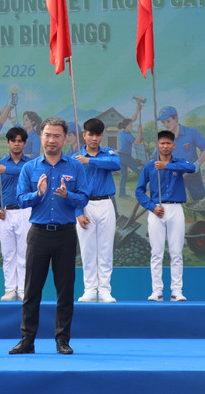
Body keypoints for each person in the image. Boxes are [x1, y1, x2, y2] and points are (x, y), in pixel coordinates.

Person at [9, 117, 88, 356]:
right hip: (38, 235)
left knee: (65, 291)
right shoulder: (30, 168)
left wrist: (68, 196)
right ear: (41, 137)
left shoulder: (75, 167)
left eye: (56, 136)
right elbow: (21, 199)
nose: (51, 140)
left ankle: (62, 340)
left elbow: (84, 198)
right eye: (47, 135)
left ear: (65, 138)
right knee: (31, 290)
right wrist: (38, 193)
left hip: (65, 234)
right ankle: (27, 341)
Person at [135, 130, 195, 302]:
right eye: (162, 143)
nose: (165, 146)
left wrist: (167, 166)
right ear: (158, 145)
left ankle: (177, 290)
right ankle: (157, 290)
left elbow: (192, 168)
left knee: (176, 252)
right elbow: (139, 191)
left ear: (174, 146)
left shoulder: (180, 163)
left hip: (175, 209)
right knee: (157, 252)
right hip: (156, 211)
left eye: (169, 143)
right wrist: (151, 207)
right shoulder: (150, 166)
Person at [74, 118, 121, 303]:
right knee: (87, 250)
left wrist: (90, 161)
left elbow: (115, 164)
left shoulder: (108, 153)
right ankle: (89, 289)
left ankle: (105, 290)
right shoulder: (75, 158)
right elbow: (72, 187)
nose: (94, 138)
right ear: (84, 135)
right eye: (90, 134)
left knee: (105, 249)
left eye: (98, 134)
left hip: (105, 203)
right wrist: (78, 211)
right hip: (85, 204)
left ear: (102, 136)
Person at [0, 126, 31, 301]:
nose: (17, 144)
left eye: (20, 141)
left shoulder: (30, 164)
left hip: (25, 212)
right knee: (8, 253)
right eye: (14, 141)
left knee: (23, 253)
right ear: (8, 143)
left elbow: (29, 175)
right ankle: (10, 289)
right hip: (6, 213)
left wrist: (8, 170)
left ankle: (22, 289)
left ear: (25, 143)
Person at [157, 106, 205, 201]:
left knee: (201, 202)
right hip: (173, 175)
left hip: (192, 174)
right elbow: (155, 157)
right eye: (163, 122)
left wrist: (198, 163)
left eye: (168, 121)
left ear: (176, 118)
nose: (166, 125)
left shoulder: (191, 132)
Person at [117, 105, 144, 198]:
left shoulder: (123, 132)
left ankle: (121, 193)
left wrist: (137, 109)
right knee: (140, 170)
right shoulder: (126, 135)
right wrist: (140, 132)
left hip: (120, 156)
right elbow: (136, 142)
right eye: (130, 125)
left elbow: (133, 119)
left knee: (123, 176)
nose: (132, 126)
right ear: (126, 126)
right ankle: (142, 191)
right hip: (125, 157)